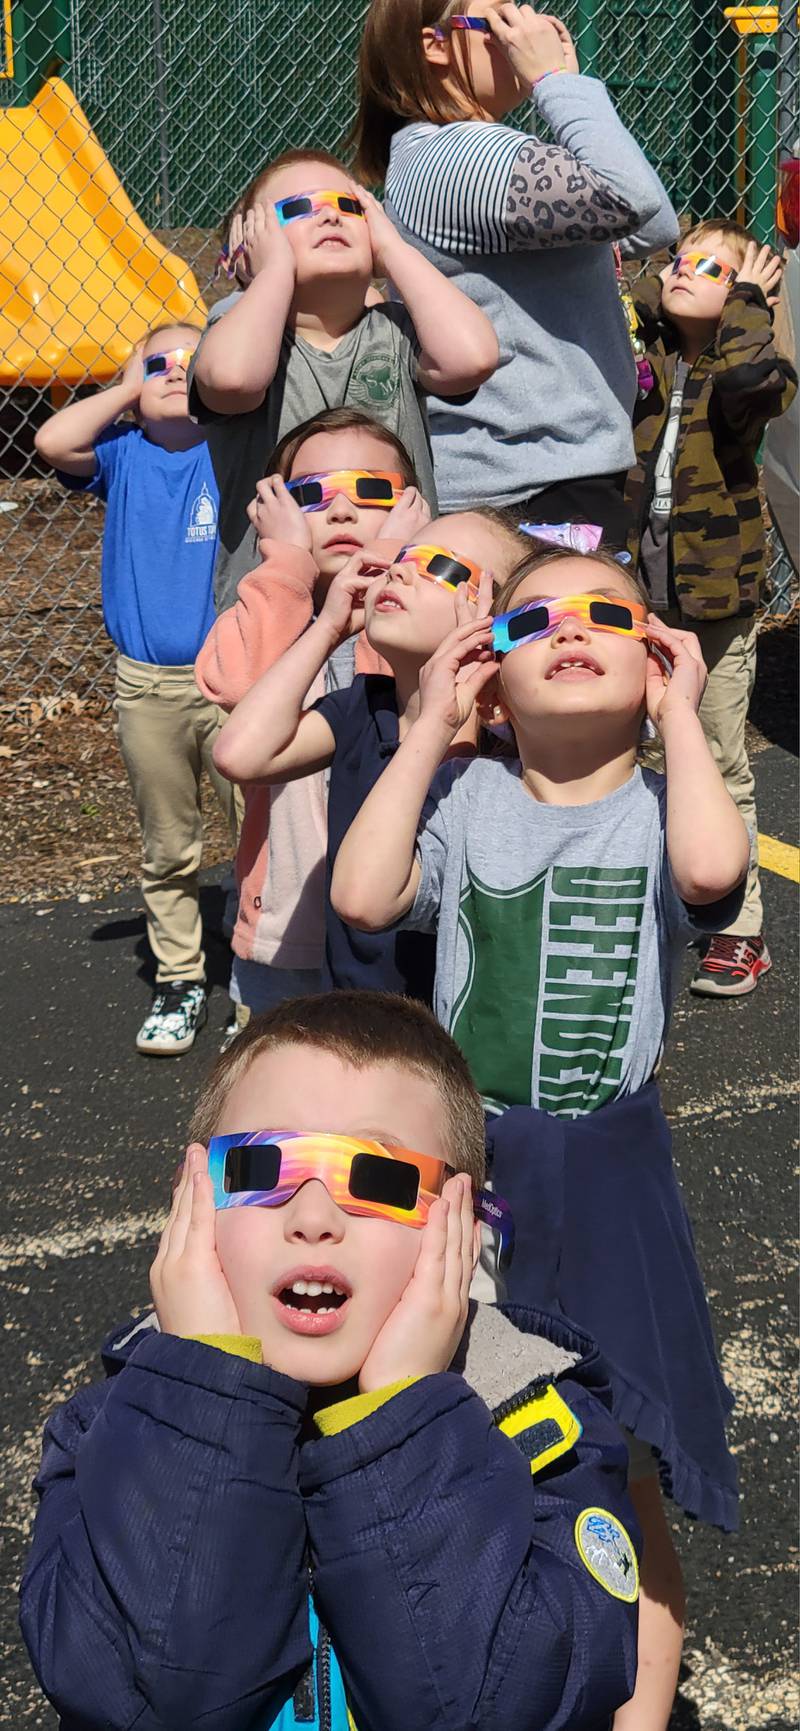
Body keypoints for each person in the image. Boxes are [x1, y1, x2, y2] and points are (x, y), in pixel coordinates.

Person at [331, 546, 750, 1730]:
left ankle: (637, 1709)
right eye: (530, 624)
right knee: (455, 1417)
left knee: (623, 1457)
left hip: (609, 1173)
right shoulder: (463, 802)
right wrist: (425, 725)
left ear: (654, 653)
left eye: (606, 616)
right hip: (473, 1169)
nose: (567, 631)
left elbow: (717, 872)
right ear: (492, 679)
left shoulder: (663, 813)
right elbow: (363, 899)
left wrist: (678, 714)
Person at [20, 989, 642, 1730]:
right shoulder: (104, 1433)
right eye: (258, 1168)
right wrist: (208, 1392)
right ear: (192, 1196)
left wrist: (403, 1415)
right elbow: (137, 1697)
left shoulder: (545, 1432)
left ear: (464, 1226)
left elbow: (504, 1703)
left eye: (377, 1178)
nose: (313, 1219)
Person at [350, 0, 679, 544]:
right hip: (525, 484)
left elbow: (651, 224)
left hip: (533, 474)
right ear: (434, 46)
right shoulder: (461, 155)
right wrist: (556, 81)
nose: (530, 30)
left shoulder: (451, 150)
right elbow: (632, 198)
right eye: (500, 23)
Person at [212, 504, 527, 999]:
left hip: (456, 1022)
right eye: (402, 557)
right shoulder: (361, 705)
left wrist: (468, 671)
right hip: (357, 1007)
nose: (400, 569)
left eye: (441, 566)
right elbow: (240, 755)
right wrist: (329, 628)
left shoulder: (510, 744)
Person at [34, 323, 240, 1057]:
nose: (175, 373)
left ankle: (257, 973)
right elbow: (53, 443)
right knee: (168, 844)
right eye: (160, 363)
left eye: (193, 362)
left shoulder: (233, 453)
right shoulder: (121, 455)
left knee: (260, 831)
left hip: (236, 684)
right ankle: (181, 978)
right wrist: (126, 387)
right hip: (147, 686)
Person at [195, 406, 431, 1028]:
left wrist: (389, 561)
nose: (342, 510)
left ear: (412, 507)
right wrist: (285, 565)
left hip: (398, 917)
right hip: (286, 925)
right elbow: (241, 689)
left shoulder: (419, 615)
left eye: (371, 490)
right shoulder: (272, 600)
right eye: (311, 494)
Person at [189, 145, 499, 610]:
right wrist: (272, 272)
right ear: (244, 248)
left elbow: (472, 358)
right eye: (298, 209)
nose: (331, 217)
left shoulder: (397, 330)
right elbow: (233, 379)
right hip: (273, 611)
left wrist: (393, 248)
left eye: (351, 206)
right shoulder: (237, 329)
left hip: (396, 604)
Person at [625, 220, 798, 996]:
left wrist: (755, 301)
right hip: (642, 590)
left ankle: (739, 928)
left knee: (718, 756)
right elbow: (629, 295)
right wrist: (652, 270)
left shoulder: (745, 376)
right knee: (633, 753)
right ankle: (652, 896)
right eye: (681, 260)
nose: (687, 271)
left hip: (717, 600)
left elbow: (751, 380)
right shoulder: (655, 359)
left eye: (714, 269)